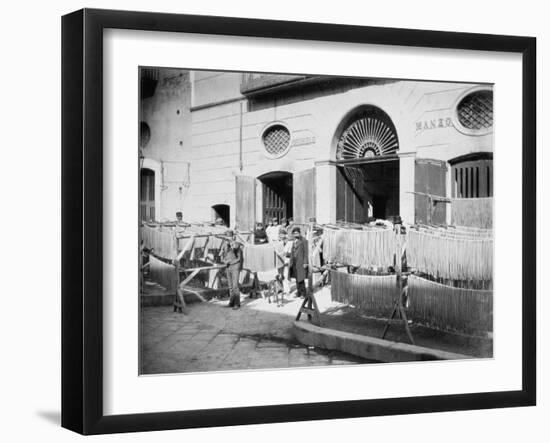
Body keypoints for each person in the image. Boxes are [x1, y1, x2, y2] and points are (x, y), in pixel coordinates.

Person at [223, 233, 243, 310]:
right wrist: (224, 260)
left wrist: (230, 262)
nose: (228, 239)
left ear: (233, 237)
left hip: (235, 267)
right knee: (230, 286)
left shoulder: (236, 245)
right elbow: (224, 256)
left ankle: (237, 304)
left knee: (235, 286)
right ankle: (231, 302)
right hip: (228, 267)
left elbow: (239, 258)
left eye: (229, 237)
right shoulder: (225, 245)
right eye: (226, 238)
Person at [289, 226, 309, 298]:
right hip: (294, 261)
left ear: (299, 233)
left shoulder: (304, 240)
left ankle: (303, 293)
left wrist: (305, 262)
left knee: (301, 278)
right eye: (294, 233)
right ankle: (299, 292)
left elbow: (306, 252)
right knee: (296, 277)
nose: (295, 234)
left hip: (301, 261)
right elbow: (292, 251)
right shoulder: (294, 241)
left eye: (297, 233)